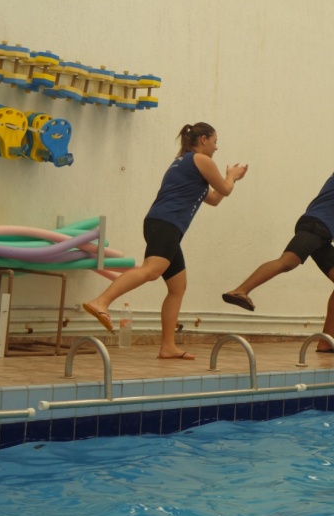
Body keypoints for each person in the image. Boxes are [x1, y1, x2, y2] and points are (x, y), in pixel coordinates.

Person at [83, 122, 248, 359]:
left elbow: (213, 198)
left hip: (163, 225)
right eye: (215, 142)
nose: (216, 148)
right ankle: (101, 302)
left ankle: (168, 346)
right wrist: (231, 176)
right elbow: (225, 188)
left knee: (177, 287)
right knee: (152, 270)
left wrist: (229, 181)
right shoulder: (201, 160)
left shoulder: (183, 163)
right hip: (166, 224)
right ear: (203, 140)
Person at [221, 143, 334, 354]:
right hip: (315, 225)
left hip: (323, 235)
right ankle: (240, 291)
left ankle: (326, 341)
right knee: (287, 262)